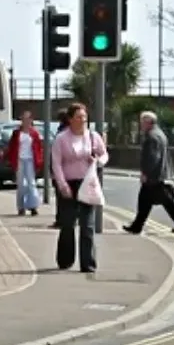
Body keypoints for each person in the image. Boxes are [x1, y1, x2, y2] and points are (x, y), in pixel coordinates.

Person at [50, 103, 108, 273]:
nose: (83, 120)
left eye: (84, 117)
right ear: (70, 119)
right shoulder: (61, 139)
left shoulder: (93, 136)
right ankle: (65, 260)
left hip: (87, 182)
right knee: (68, 224)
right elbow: (56, 164)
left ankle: (88, 263)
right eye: (79, 117)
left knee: (87, 225)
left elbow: (104, 154)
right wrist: (62, 185)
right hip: (68, 184)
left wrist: (98, 161)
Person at [124, 111, 174, 234]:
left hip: (154, 176)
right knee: (152, 202)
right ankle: (137, 226)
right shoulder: (160, 134)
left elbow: (153, 157)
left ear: (148, 122)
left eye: (142, 122)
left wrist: (146, 173)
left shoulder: (152, 137)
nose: (141, 125)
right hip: (160, 174)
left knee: (155, 201)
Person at [6, 112, 43, 216]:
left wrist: (39, 161)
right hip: (20, 159)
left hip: (30, 159)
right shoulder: (17, 133)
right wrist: (8, 158)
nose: (25, 121)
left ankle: (33, 206)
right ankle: (21, 207)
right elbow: (12, 146)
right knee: (21, 184)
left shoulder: (34, 133)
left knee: (31, 183)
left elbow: (39, 148)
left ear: (31, 120)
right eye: (23, 119)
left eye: (27, 119)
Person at [50, 111, 71, 229]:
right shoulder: (67, 131)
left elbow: (56, 155)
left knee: (61, 199)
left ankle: (61, 220)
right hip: (65, 171)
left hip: (62, 171)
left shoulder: (62, 133)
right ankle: (65, 219)